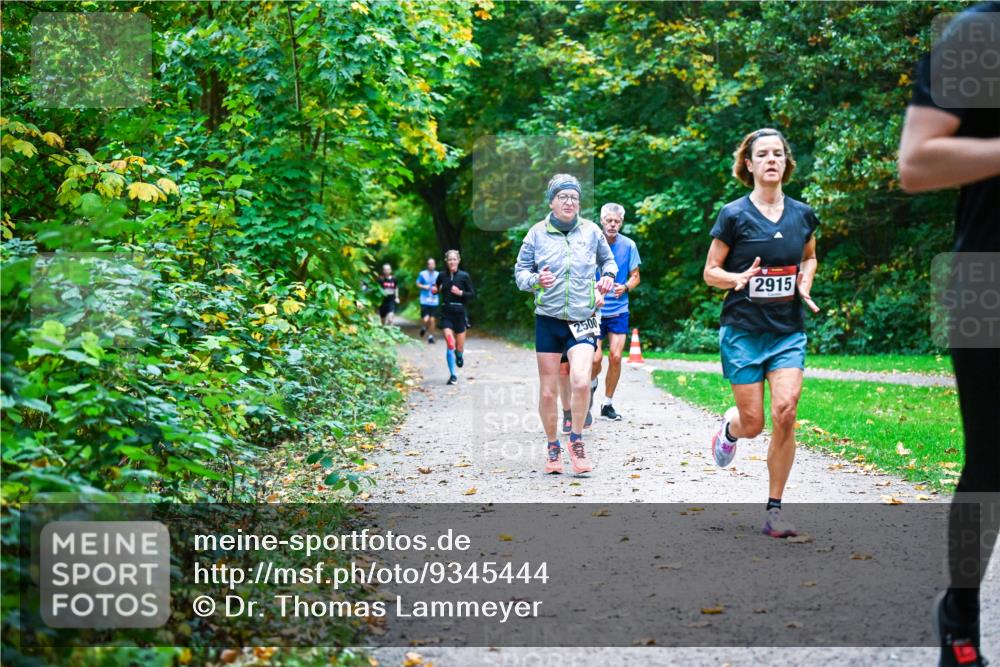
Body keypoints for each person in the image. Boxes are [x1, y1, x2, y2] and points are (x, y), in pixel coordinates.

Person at [898, 5, 999, 665]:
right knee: (992, 462)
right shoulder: (980, 33)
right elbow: (917, 162)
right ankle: (959, 612)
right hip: (988, 278)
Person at [702, 128, 820, 538]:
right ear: (748, 165)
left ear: (786, 163)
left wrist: (804, 281)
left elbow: (809, 257)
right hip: (744, 331)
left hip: (787, 330)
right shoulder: (733, 215)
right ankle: (730, 429)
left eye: (778, 154)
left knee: (786, 410)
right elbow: (710, 272)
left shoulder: (802, 214)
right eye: (762, 155)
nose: (771, 159)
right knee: (753, 423)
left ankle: (774, 510)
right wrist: (736, 277)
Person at [515, 174, 617, 475]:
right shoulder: (536, 234)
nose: (569, 202)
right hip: (548, 319)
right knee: (548, 392)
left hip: (583, 317)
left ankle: (576, 439)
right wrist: (536, 280)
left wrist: (607, 278)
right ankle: (552, 446)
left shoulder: (592, 231)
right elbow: (521, 271)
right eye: (563, 197)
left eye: (574, 197)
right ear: (551, 201)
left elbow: (608, 262)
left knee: (582, 381)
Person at [591, 203, 641, 422]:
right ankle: (590, 386)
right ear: (602, 221)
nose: (612, 224)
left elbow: (636, 276)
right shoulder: (591, 244)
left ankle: (607, 404)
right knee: (594, 359)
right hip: (594, 309)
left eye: (617, 221)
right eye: (609, 220)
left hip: (619, 309)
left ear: (621, 222)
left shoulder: (629, 245)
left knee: (616, 356)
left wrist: (626, 286)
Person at [434, 250, 475, 385]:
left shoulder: (464, 276)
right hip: (446, 312)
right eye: (449, 259)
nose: (452, 262)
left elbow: (472, 294)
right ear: (446, 261)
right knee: (450, 343)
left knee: (459, 347)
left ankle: (459, 355)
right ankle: (453, 375)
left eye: (454, 259)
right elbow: (436, 288)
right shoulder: (441, 275)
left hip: (460, 313)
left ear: (458, 261)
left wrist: (461, 292)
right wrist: (434, 290)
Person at [416, 258, 440, 344]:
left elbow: (441, 285)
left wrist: (438, 288)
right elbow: (417, 283)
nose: (431, 265)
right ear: (427, 265)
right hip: (424, 300)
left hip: (434, 300)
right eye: (430, 264)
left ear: (435, 265)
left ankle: (431, 337)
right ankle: (424, 327)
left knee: (432, 319)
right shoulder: (422, 274)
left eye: (433, 264)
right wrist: (424, 286)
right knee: (426, 319)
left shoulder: (438, 274)